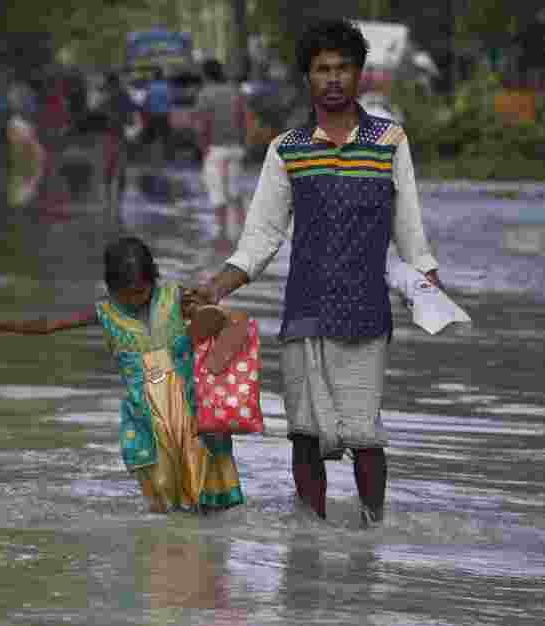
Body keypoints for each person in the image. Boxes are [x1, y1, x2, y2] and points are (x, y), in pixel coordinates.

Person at [189, 19, 443, 526]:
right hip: (305, 313)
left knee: (366, 437)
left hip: (366, 316)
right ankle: (310, 542)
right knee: (304, 436)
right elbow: (259, 236)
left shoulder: (389, 142)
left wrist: (426, 279)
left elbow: (409, 227)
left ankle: (374, 534)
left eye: (342, 68)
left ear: (358, 75)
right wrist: (214, 288)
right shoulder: (287, 149)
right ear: (309, 78)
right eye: (322, 69)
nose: (332, 78)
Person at [0, 237, 244, 514]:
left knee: (205, 495)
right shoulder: (105, 313)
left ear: (153, 279)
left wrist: (206, 314)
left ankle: (205, 550)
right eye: (124, 294)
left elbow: (212, 319)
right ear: (110, 287)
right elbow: (47, 325)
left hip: (190, 411)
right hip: (146, 418)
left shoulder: (175, 298)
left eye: (140, 291)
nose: (133, 300)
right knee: (164, 499)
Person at [196, 59, 247, 244]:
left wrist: (203, 149)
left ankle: (221, 234)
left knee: (218, 194)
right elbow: (243, 120)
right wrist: (243, 144)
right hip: (235, 149)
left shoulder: (205, 94)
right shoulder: (235, 92)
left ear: (205, 75)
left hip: (215, 150)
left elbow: (203, 125)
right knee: (235, 192)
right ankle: (244, 231)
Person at [101, 71, 138, 209]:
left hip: (110, 136)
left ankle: (109, 202)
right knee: (119, 169)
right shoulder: (124, 96)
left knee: (110, 169)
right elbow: (130, 119)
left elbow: (100, 116)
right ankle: (117, 202)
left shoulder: (108, 98)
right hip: (119, 136)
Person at [142, 68, 173, 162]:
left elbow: (146, 101)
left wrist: (146, 109)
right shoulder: (167, 86)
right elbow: (170, 101)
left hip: (153, 114)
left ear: (154, 76)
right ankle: (167, 156)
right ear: (162, 76)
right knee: (165, 137)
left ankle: (149, 157)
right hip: (164, 114)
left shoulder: (150, 86)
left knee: (150, 137)